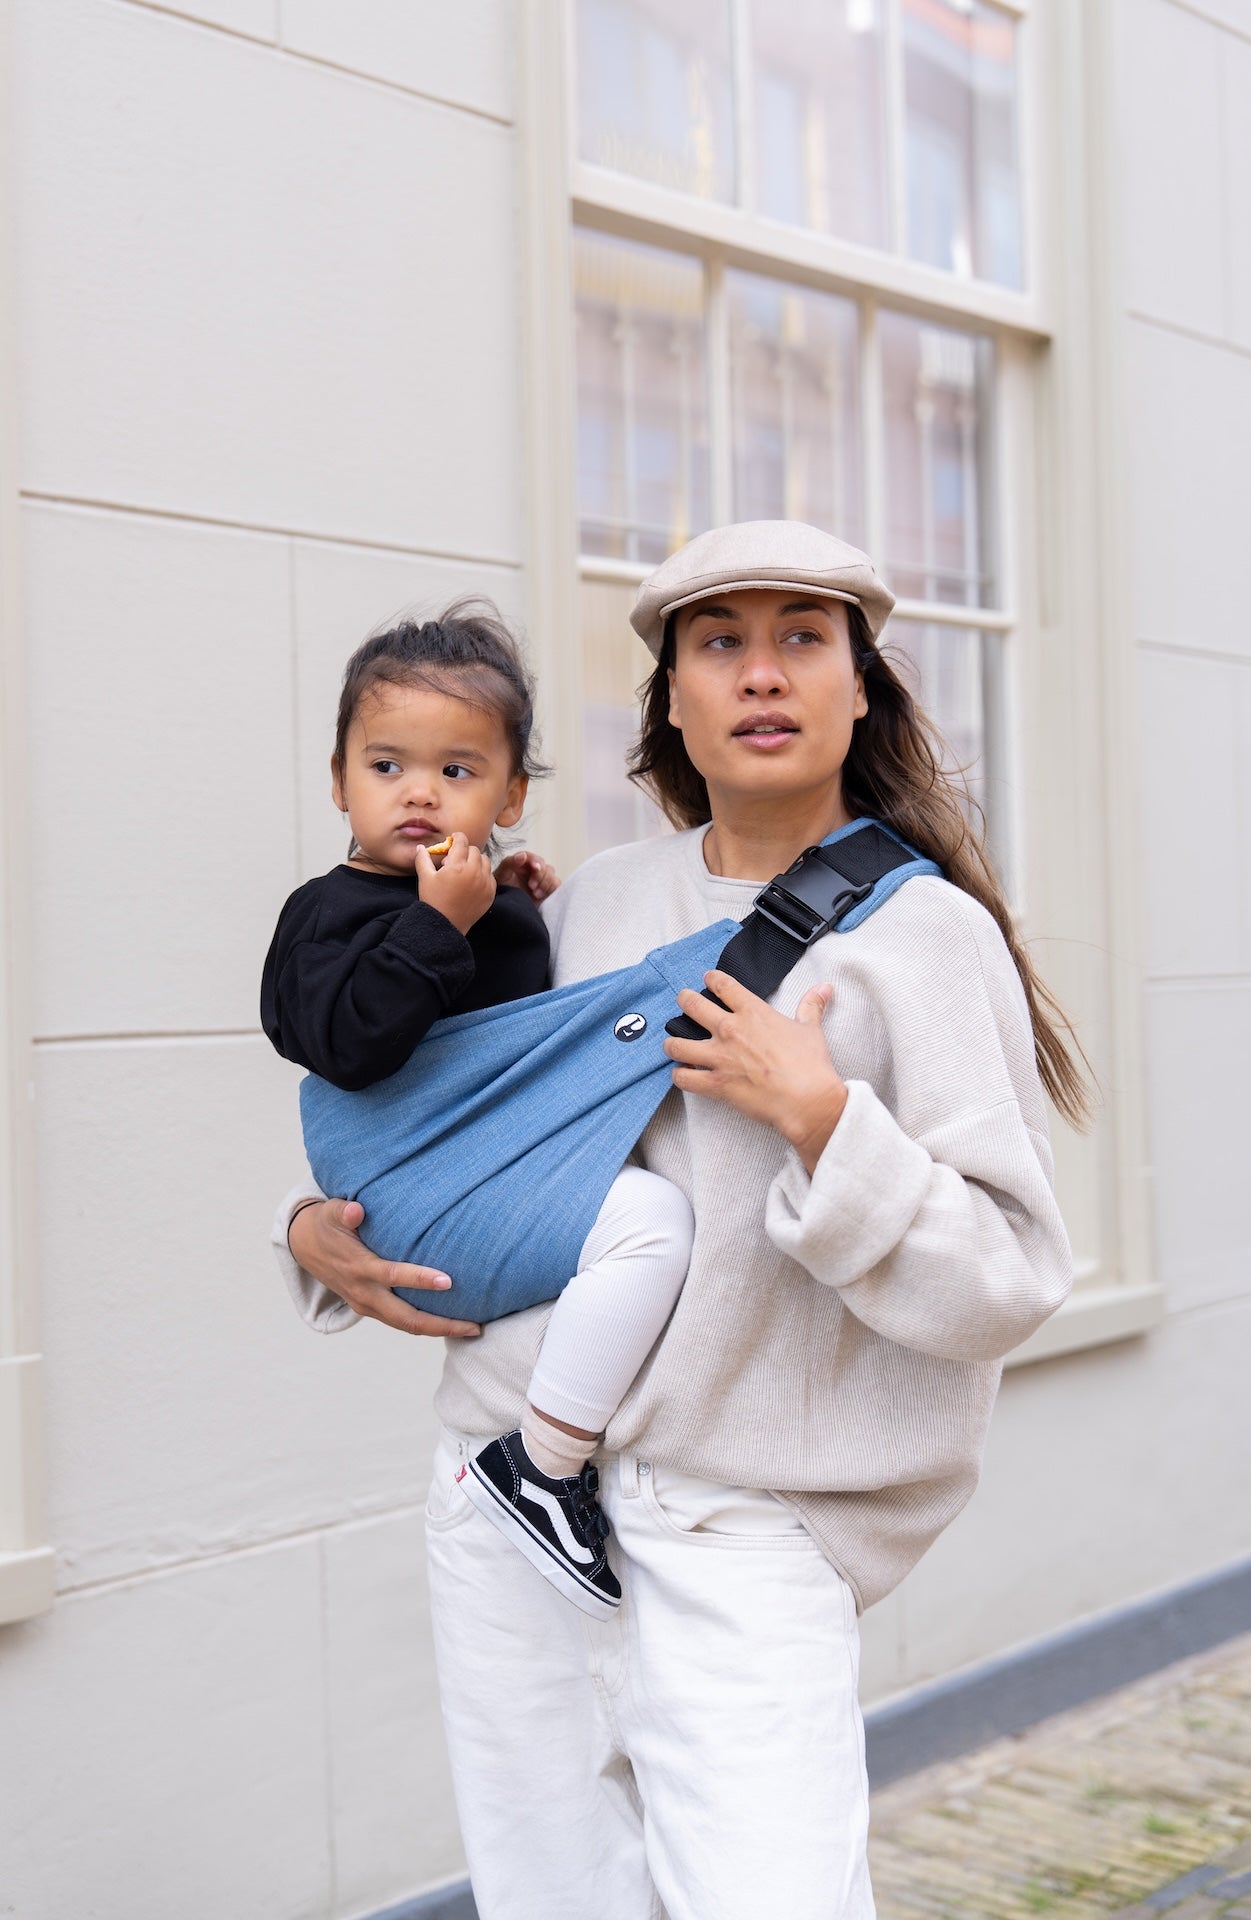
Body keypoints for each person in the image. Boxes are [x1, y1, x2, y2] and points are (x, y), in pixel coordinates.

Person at [275, 522, 1085, 1920]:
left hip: (742, 1526)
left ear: (858, 689)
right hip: (501, 1493)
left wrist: (823, 1122)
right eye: (721, 643)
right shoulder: (587, 904)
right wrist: (312, 1230)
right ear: (672, 699)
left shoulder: (926, 939)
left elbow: (1006, 1280)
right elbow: (449, 1115)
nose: (761, 674)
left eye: (801, 639)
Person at [262, 603, 694, 1618]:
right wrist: (440, 922)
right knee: (652, 1225)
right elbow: (345, 1046)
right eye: (386, 765)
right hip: (421, 1183)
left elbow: (513, 1030)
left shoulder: (480, 897)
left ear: (510, 794)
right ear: (338, 781)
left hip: (500, 1166)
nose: (419, 791)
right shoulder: (323, 912)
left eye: (457, 770)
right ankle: (543, 1464)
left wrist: (509, 904)